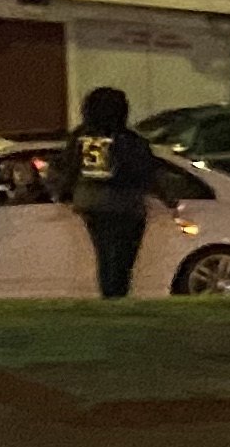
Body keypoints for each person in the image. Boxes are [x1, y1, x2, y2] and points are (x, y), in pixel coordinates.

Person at [64, 87, 161, 299]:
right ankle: (116, 294)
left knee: (105, 253)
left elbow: (68, 168)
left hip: (91, 201)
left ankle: (109, 293)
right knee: (122, 257)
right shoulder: (127, 139)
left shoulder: (80, 137)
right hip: (123, 203)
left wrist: (66, 193)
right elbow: (143, 170)